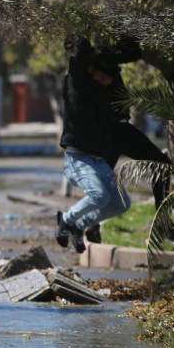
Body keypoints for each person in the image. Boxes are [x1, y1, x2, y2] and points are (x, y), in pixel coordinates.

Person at [92, 40, 174, 244]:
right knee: (161, 165)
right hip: (117, 129)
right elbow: (133, 52)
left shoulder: (92, 64)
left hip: (109, 130)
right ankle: (163, 223)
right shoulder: (98, 60)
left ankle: (88, 225)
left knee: (100, 180)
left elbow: (131, 53)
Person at [55, 34, 131, 253]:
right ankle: (66, 220)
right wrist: (83, 32)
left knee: (121, 203)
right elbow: (78, 62)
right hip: (77, 157)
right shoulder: (77, 83)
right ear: (91, 70)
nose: (106, 80)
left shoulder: (106, 92)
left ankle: (80, 225)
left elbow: (116, 85)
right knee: (99, 196)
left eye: (109, 78)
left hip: (98, 159)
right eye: (102, 76)